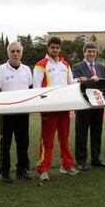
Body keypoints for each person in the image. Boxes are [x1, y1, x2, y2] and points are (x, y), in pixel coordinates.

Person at [33, 37, 79, 181]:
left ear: (60, 48)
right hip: (49, 109)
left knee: (64, 138)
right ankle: (43, 169)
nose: (55, 50)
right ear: (48, 48)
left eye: (57, 48)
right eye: (52, 47)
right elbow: (36, 88)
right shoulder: (41, 65)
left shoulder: (65, 64)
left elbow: (71, 83)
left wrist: (81, 80)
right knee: (47, 140)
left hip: (64, 108)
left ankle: (67, 164)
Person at [0, 42, 33, 183]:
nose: (15, 54)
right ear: (8, 53)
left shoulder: (27, 70)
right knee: (5, 143)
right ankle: (4, 172)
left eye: (18, 51)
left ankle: (22, 170)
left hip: (23, 113)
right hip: (6, 114)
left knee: (23, 142)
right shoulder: (0, 69)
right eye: (13, 51)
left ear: (21, 53)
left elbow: (31, 90)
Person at [72, 42, 105, 171]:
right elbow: (75, 85)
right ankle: (81, 161)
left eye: (93, 51)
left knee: (96, 133)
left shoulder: (101, 68)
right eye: (89, 51)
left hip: (98, 104)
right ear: (84, 52)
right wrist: (89, 80)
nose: (92, 54)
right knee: (81, 134)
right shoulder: (77, 67)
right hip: (83, 104)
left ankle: (96, 158)